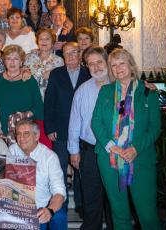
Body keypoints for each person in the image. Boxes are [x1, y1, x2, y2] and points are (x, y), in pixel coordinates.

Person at [91, 48, 161, 229]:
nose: (117, 68)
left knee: (148, 214)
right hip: (109, 159)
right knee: (119, 213)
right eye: (113, 65)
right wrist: (110, 146)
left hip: (140, 158)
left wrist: (135, 148)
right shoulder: (106, 91)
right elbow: (96, 121)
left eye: (121, 63)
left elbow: (154, 128)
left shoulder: (148, 92)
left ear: (130, 65)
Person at [67, 46, 113, 230]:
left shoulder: (119, 86)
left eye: (99, 62)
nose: (96, 67)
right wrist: (73, 151)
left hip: (115, 151)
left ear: (107, 62)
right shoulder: (82, 91)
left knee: (113, 198)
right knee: (91, 198)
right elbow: (74, 123)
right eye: (91, 64)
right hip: (89, 151)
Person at [44, 42, 90, 205]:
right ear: (62, 56)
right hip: (61, 131)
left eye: (73, 52)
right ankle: (60, 205)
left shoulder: (89, 73)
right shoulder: (56, 74)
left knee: (81, 170)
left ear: (80, 54)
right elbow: (49, 102)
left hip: (84, 132)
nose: (70, 56)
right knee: (61, 168)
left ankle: (81, 204)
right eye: (66, 53)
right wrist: (49, 128)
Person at [9, 120, 67, 230]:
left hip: (40, 208)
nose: (21, 138)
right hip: (17, 208)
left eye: (26, 134)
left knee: (59, 216)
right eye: (18, 134)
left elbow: (59, 192)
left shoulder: (50, 157)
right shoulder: (12, 151)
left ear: (37, 136)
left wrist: (49, 210)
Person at [0, 44, 43, 135]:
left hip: (23, 133)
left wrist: (23, 115)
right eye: (8, 58)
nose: (12, 62)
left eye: (16, 59)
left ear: (21, 62)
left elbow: (39, 107)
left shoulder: (29, 80)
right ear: (4, 61)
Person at [24, 28, 64, 100]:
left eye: (47, 39)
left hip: (50, 99)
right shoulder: (29, 57)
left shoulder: (59, 61)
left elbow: (62, 82)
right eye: (41, 39)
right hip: (29, 98)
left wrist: (53, 75)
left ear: (52, 42)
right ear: (37, 42)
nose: (44, 41)